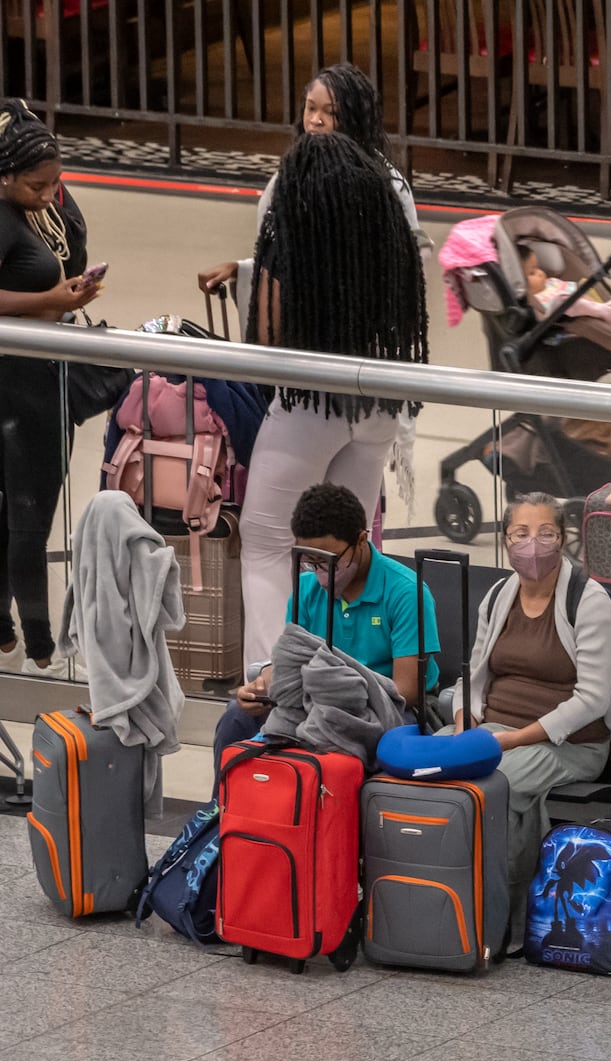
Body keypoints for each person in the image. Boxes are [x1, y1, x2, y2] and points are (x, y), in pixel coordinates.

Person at [237, 130, 428, 667]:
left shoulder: (293, 234)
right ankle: (347, 674)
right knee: (345, 548)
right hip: (378, 404)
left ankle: (272, 679)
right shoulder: (384, 230)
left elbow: (268, 330)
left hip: (310, 404)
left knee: (270, 542)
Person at [454, 493, 611, 941]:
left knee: (496, 783)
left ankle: (501, 920)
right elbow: (472, 675)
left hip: (569, 743)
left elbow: (591, 699)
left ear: (563, 539)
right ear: (505, 539)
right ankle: (446, 898)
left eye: (545, 533)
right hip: (494, 730)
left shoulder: (588, 601)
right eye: (521, 534)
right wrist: (461, 721)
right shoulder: (498, 596)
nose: (533, 545)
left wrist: (512, 740)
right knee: (428, 768)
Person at [212, 483, 440, 783]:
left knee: (334, 736)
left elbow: (405, 692)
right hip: (317, 701)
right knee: (237, 717)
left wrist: (336, 693)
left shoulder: (406, 593)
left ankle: (319, 818)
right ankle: (225, 816)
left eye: (330, 560)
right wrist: (262, 688)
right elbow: (290, 665)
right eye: (310, 560)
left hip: (390, 710)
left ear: (361, 539)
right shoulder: (307, 590)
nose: (320, 571)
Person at [0, 99, 100, 677]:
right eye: (39, 186)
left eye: (57, 183)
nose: (49, 195)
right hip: (18, 386)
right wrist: (51, 302)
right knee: (29, 515)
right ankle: (39, 644)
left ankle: (17, 632)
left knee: (23, 512)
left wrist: (68, 297)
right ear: (6, 175)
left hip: (39, 375)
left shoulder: (39, 208)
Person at [197, 61, 430, 299]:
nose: (316, 120)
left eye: (331, 113)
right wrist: (240, 269)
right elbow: (276, 258)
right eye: (311, 108)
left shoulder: (386, 183)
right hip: (302, 319)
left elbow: (416, 251)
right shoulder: (285, 181)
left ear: (356, 120)